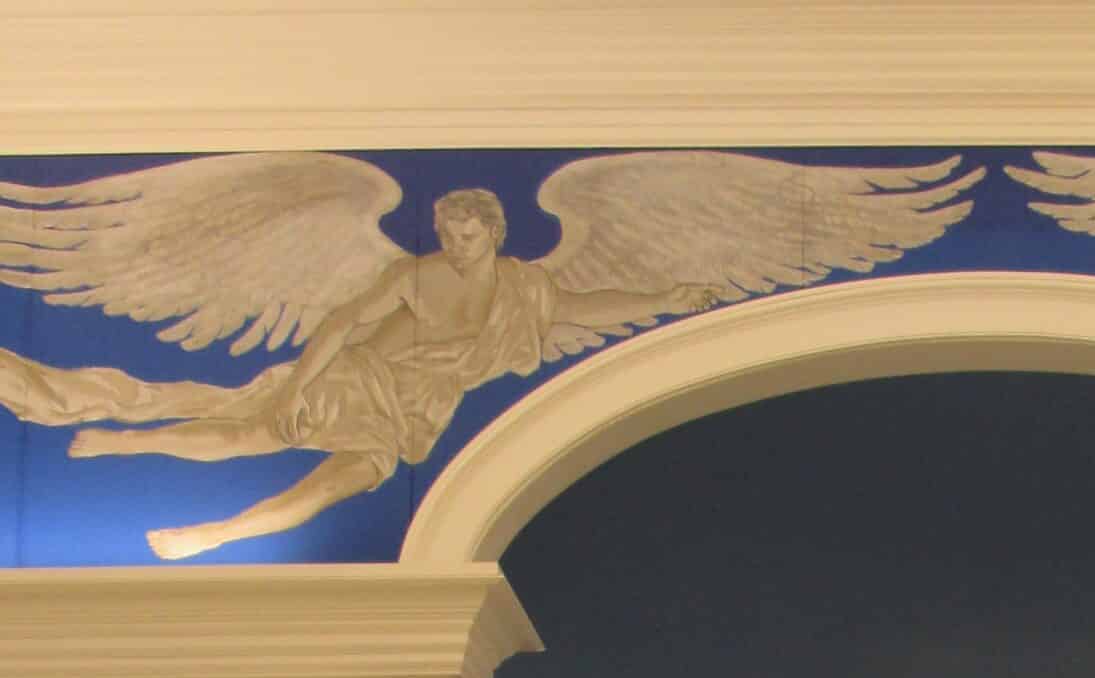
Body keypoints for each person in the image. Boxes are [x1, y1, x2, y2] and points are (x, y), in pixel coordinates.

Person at [9, 190, 708, 560]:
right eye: (447, 233)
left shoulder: (527, 290)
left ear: (494, 234)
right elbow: (342, 323)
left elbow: (585, 307)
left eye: (467, 235)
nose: (455, 244)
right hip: (358, 378)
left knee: (330, 486)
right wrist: (301, 385)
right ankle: (125, 440)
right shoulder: (415, 275)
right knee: (248, 432)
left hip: (413, 410)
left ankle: (215, 534)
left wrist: (666, 298)